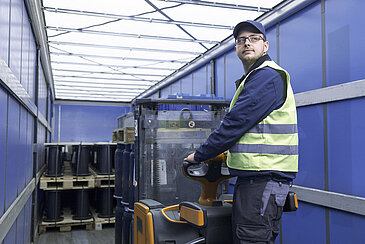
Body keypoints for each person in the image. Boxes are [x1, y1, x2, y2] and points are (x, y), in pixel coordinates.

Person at [184, 20, 298, 244]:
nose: (247, 43)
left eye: (254, 38)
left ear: (265, 46)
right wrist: (227, 154)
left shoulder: (267, 76)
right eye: (241, 40)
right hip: (258, 179)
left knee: (251, 239)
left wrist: (200, 155)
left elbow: (236, 122)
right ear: (236, 48)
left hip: (263, 179)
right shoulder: (255, 78)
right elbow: (253, 129)